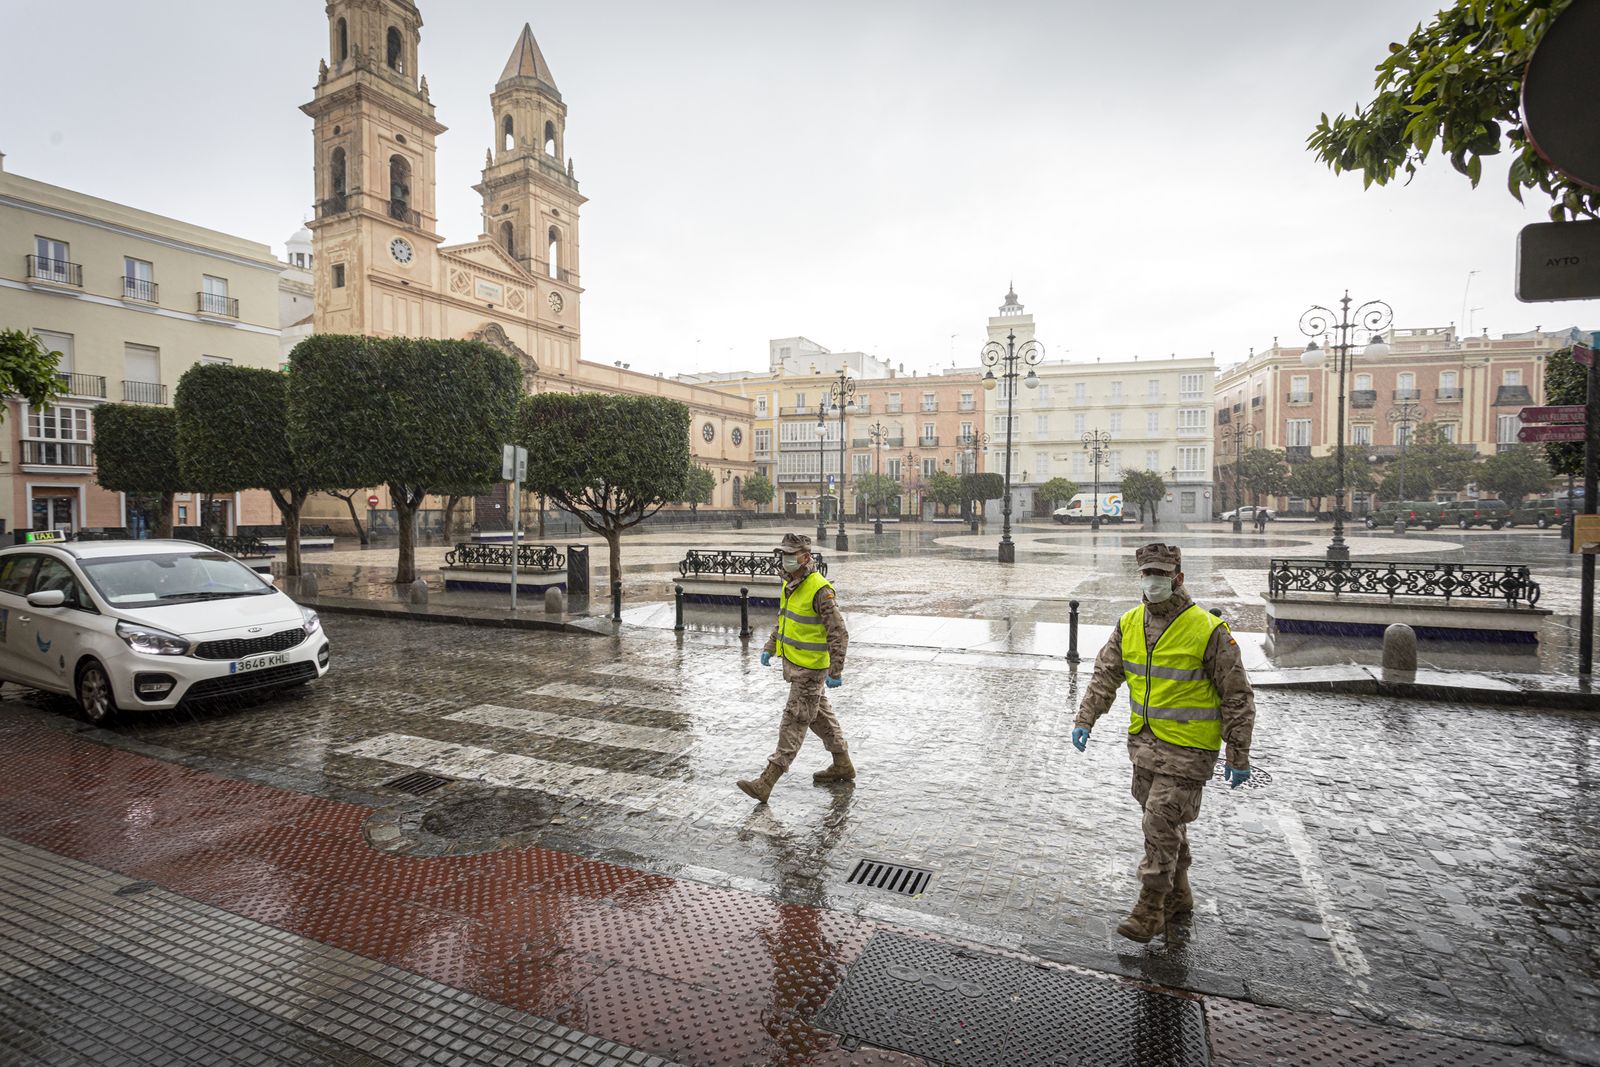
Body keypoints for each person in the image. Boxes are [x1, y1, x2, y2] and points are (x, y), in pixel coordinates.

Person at [1071, 542, 1256, 943]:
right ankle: (1179, 895)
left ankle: (1150, 908)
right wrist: (1086, 718)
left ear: (1178, 577)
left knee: (1158, 820)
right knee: (1164, 825)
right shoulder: (1129, 623)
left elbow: (1237, 695)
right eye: (1147, 574)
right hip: (1144, 744)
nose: (1153, 581)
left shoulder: (1208, 629)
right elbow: (1106, 675)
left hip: (1190, 749)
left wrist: (1238, 753)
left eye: (1161, 574)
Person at [737, 533, 852, 803]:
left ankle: (766, 782)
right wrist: (770, 646)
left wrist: (836, 670)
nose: (785, 559)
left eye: (791, 555)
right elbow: (785, 620)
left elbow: (838, 632)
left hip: (810, 671)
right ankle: (843, 764)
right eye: (783, 554)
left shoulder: (820, 589)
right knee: (819, 717)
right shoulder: (789, 584)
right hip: (795, 665)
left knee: (794, 721)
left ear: (805, 557)